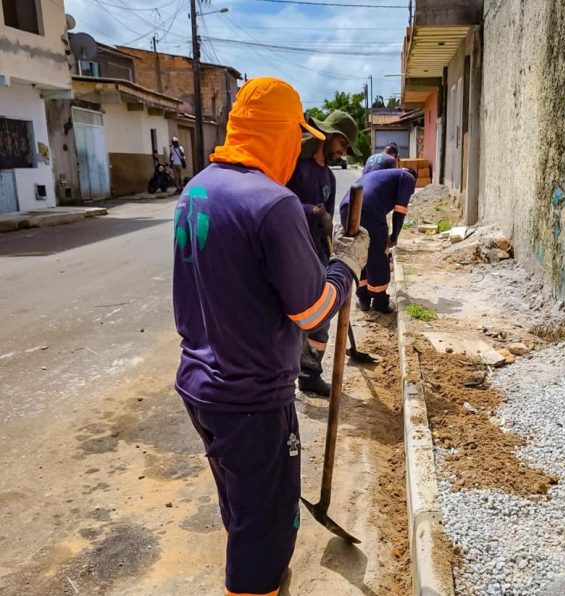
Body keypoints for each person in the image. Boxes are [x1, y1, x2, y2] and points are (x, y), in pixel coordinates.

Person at [172, 77, 369, 596]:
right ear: (282, 134)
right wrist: (346, 266)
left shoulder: (197, 188)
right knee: (267, 533)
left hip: (201, 387)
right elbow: (312, 311)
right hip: (252, 400)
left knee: (243, 511)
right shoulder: (272, 202)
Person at [286, 110, 361, 397]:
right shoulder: (294, 165)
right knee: (294, 320)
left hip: (316, 253)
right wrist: (309, 211)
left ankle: (310, 373)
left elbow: (327, 218)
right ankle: (285, 375)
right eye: (343, 145)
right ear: (331, 136)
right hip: (291, 254)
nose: (343, 153)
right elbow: (275, 203)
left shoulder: (328, 175)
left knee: (322, 319)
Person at [340, 167, 416, 314]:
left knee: (360, 253)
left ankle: (363, 298)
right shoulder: (408, 177)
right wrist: (394, 236)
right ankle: (380, 301)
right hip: (368, 208)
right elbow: (400, 211)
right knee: (377, 255)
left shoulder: (386, 175)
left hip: (346, 207)